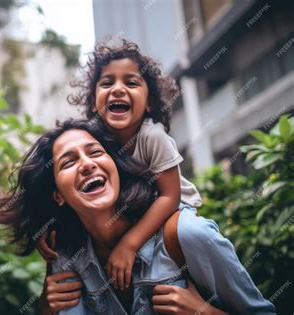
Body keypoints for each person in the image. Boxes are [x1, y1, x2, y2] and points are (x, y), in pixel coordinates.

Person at [0, 119, 275, 314]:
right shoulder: (64, 255)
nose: (87, 164)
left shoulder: (187, 236)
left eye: (95, 152)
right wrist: (46, 308)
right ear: (58, 196)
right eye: (69, 161)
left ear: (115, 167)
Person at [36, 39, 201, 293]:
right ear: (93, 103)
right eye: (107, 82)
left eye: (131, 82)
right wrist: (48, 227)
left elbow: (169, 196)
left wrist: (129, 245)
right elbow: (75, 190)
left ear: (149, 104)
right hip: (136, 213)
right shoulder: (96, 139)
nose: (118, 89)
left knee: (185, 246)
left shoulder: (152, 137)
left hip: (174, 209)